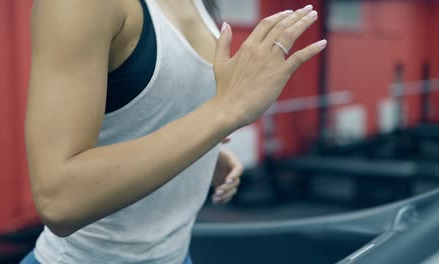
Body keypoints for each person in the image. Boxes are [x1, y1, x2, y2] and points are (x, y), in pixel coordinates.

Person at [22, 0, 325, 263]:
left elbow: (148, 115)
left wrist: (207, 152)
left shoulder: (197, 3)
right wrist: (223, 112)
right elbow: (60, 199)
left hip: (177, 255)